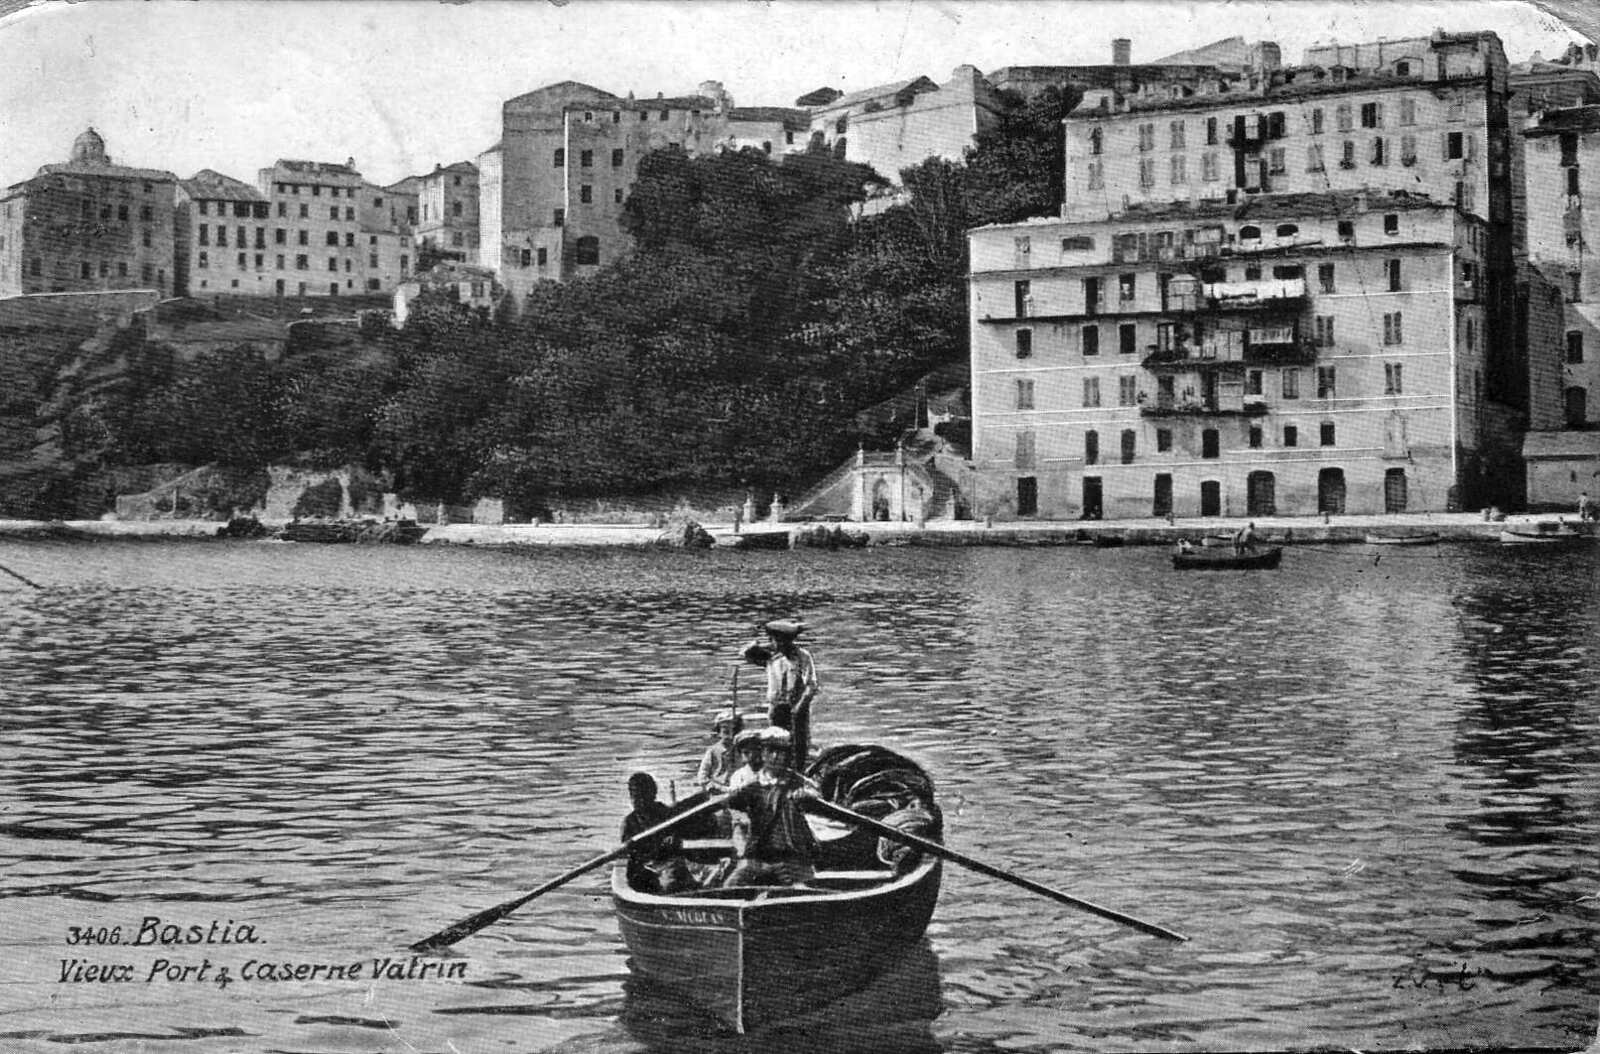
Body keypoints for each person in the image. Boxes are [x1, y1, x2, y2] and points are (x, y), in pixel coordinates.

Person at [721, 728, 818, 887]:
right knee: (730, 887)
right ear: (762, 753)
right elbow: (733, 811)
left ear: (787, 755)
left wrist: (809, 798)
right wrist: (726, 799)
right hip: (758, 861)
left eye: (781, 752)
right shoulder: (750, 788)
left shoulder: (801, 785)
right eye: (771, 751)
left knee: (804, 891)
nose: (775, 757)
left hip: (794, 861)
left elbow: (818, 806)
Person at [746, 619, 819, 765]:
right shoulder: (770, 656)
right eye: (776, 640)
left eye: (784, 641)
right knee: (775, 739)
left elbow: (811, 686)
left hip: (796, 706)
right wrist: (759, 643)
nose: (780, 645)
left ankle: (798, 769)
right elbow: (745, 653)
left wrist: (799, 706)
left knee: (798, 743)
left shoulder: (802, 656)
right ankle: (778, 768)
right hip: (776, 706)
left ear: (791, 641)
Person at [620, 772, 675, 893]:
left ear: (653, 795)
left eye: (644, 797)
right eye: (636, 797)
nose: (640, 801)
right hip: (644, 869)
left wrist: (673, 837)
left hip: (667, 863)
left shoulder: (664, 813)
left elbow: (678, 834)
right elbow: (627, 854)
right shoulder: (630, 822)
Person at [695, 709, 743, 794]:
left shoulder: (742, 750)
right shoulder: (712, 751)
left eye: (732, 729)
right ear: (719, 732)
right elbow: (702, 777)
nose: (729, 734)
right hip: (717, 790)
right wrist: (715, 787)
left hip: (738, 789)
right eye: (725, 729)